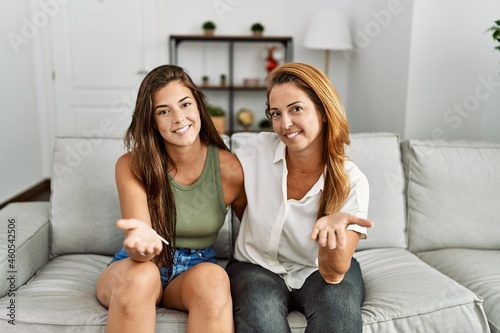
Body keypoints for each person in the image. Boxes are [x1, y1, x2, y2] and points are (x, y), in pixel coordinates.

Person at [96, 64, 245, 333]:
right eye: (164, 111)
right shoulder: (132, 165)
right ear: (152, 121)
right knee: (141, 276)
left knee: (214, 280)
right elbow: (137, 243)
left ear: (199, 107)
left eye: (185, 104)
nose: (178, 118)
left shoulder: (229, 169)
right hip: (139, 266)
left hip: (193, 270)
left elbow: (256, 234)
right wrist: (140, 244)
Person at [226, 62, 374, 333]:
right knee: (261, 313)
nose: (285, 124)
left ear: (323, 110)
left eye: (296, 109)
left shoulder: (351, 181)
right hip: (256, 265)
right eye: (276, 113)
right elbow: (220, 179)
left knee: (339, 313)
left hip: (318, 269)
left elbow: (333, 273)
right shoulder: (256, 152)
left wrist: (331, 238)